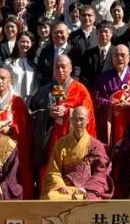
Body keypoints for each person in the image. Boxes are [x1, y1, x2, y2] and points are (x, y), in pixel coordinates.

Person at [27, 55, 97, 186]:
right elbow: (33, 113)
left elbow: (87, 118)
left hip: (72, 142)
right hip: (51, 141)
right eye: (57, 67)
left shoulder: (80, 90)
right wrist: (48, 113)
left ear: (70, 69)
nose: (60, 70)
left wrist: (68, 112)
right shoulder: (48, 89)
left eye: (63, 67)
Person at [41, 105, 114, 200]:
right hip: (67, 189)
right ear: (70, 120)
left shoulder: (96, 145)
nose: (78, 123)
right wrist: (60, 185)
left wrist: (86, 188)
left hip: (86, 189)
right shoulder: (61, 144)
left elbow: (101, 172)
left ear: (88, 120)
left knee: (90, 198)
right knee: (50, 197)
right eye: (74, 119)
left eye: (81, 119)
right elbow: (54, 171)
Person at [0, 66, 34, 197]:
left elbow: (25, 127)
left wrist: (12, 129)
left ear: (10, 81)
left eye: (3, 78)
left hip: (14, 148)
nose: (0, 82)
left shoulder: (17, 101)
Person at [92, 44, 130, 151]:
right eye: (116, 55)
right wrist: (109, 103)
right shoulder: (104, 78)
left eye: (123, 55)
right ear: (112, 58)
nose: (119, 58)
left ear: (129, 57)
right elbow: (96, 98)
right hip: (111, 121)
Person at [80, 21, 115, 88]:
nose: (103, 34)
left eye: (106, 31)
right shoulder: (88, 53)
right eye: (100, 31)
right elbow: (84, 75)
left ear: (111, 34)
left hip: (112, 91)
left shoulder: (116, 52)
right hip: (93, 91)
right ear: (96, 33)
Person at [4, 31, 36, 98]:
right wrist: (14, 96)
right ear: (17, 42)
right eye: (22, 41)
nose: (25, 44)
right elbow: (6, 82)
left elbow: (37, 82)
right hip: (13, 98)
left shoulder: (35, 62)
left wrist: (33, 96)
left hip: (31, 100)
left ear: (31, 44)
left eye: (27, 42)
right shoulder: (8, 62)